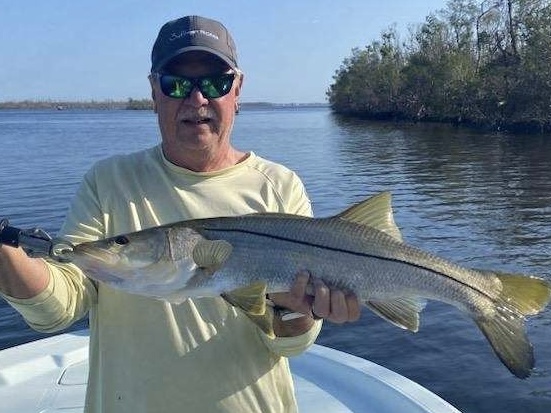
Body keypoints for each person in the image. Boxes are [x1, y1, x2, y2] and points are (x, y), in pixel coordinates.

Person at [0, 15, 361, 413]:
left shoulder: (279, 186)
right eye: (176, 84)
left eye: (215, 83)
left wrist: (298, 312)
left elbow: (291, 344)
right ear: (154, 92)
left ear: (237, 90)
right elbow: (59, 306)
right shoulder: (109, 182)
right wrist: (4, 249)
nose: (197, 99)